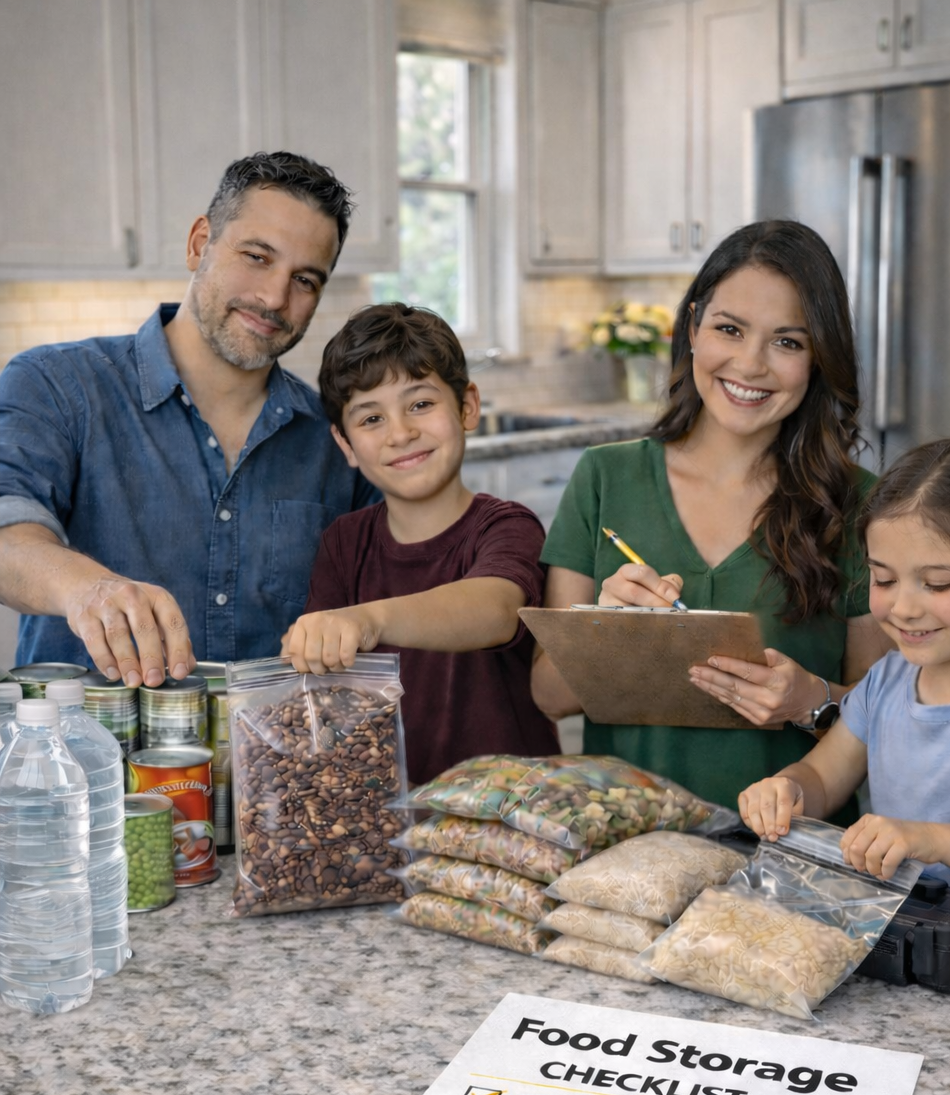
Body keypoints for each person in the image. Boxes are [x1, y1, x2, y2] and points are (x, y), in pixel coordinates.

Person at [532, 220, 892, 813]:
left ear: (819, 359)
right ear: (693, 325)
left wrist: (813, 700)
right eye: (730, 329)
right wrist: (606, 630)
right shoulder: (603, 478)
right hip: (626, 855)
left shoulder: (861, 505)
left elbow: (891, 719)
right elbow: (548, 697)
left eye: (787, 342)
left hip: (790, 861)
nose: (750, 365)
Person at [0, 151, 378, 686]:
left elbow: (410, 566)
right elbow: (7, 533)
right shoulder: (56, 383)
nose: (274, 297)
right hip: (90, 761)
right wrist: (88, 588)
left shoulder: (335, 438)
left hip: (274, 763)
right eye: (256, 256)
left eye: (306, 280)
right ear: (199, 242)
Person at [739, 439, 950, 920]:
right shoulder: (886, 681)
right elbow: (823, 779)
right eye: (884, 580)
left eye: (937, 584)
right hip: (901, 943)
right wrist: (786, 790)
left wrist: (933, 840)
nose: (904, 608)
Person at [283, 302, 559, 784]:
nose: (402, 433)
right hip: (388, 819)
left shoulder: (508, 527)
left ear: (467, 406)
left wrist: (368, 619)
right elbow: (323, 691)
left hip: (511, 815)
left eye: (420, 404)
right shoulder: (343, 544)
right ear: (345, 444)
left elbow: (494, 609)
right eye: (371, 420)